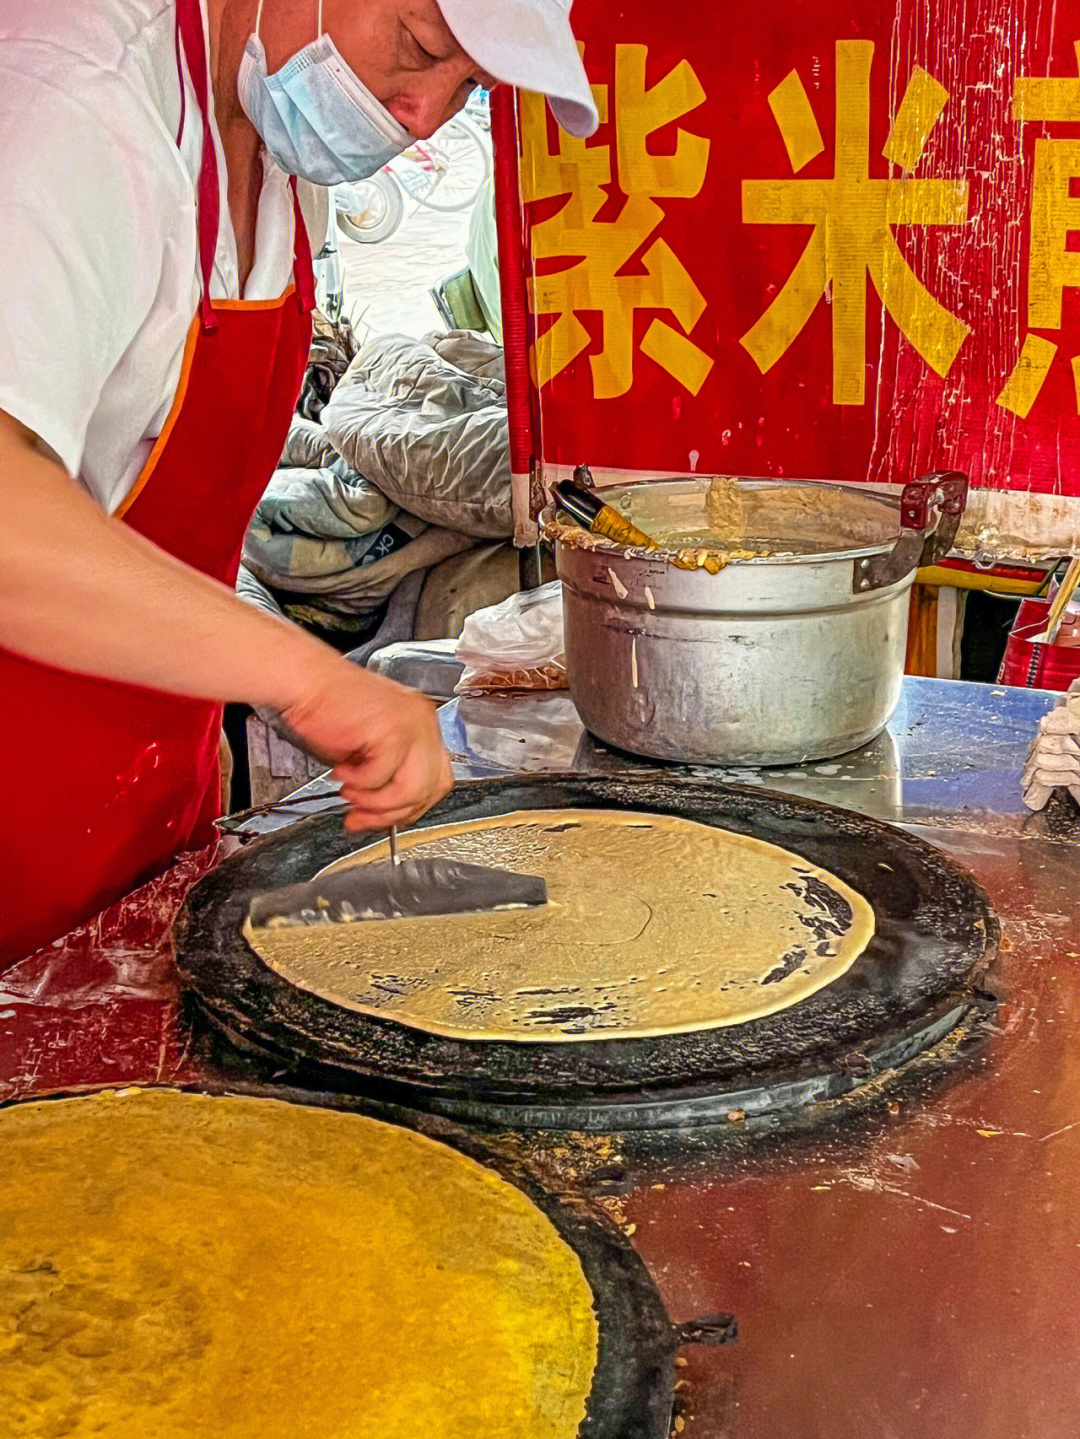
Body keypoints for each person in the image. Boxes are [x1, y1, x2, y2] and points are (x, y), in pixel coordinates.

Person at [0, 0, 599, 962]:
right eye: (423, 47)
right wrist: (307, 678)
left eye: (470, 87)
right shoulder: (72, 102)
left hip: (130, 840)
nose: (421, 115)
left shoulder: (266, 160)